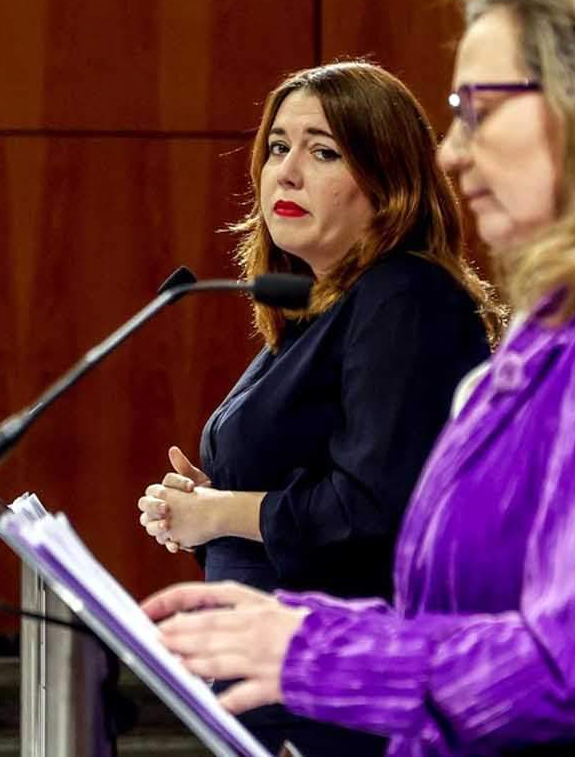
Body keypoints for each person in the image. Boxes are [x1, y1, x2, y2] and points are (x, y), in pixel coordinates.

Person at [141, 0, 575, 756]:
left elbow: (574, 671)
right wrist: (284, 621)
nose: (449, 151)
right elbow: (462, 617)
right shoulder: (570, 325)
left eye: (481, 109)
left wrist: (311, 652)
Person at [136, 61, 498, 756]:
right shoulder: (320, 307)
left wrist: (219, 513)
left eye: (323, 151)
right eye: (277, 147)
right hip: (279, 691)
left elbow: (375, 508)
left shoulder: (405, 299)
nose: (287, 171)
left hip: (342, 703)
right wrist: (212, 510)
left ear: (387, 183)